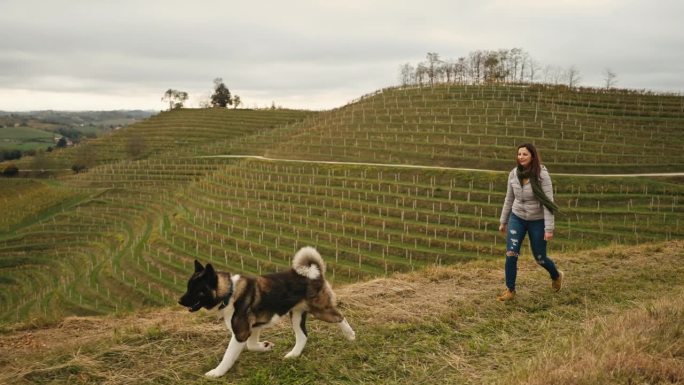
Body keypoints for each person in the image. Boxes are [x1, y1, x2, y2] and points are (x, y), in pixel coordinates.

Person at [497, 143, 563, 301]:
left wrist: (549, 228)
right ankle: (510, 290)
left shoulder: (542, 176)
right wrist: (503, 220)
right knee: (511, 253)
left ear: (532, 156)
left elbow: (548, 202)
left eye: (524, 154)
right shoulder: (513, 174)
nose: (521, 157)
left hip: (537, 220)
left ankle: (556, 275)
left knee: (540, 257)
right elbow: (509, 198)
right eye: (519, 154)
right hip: (517, 217)